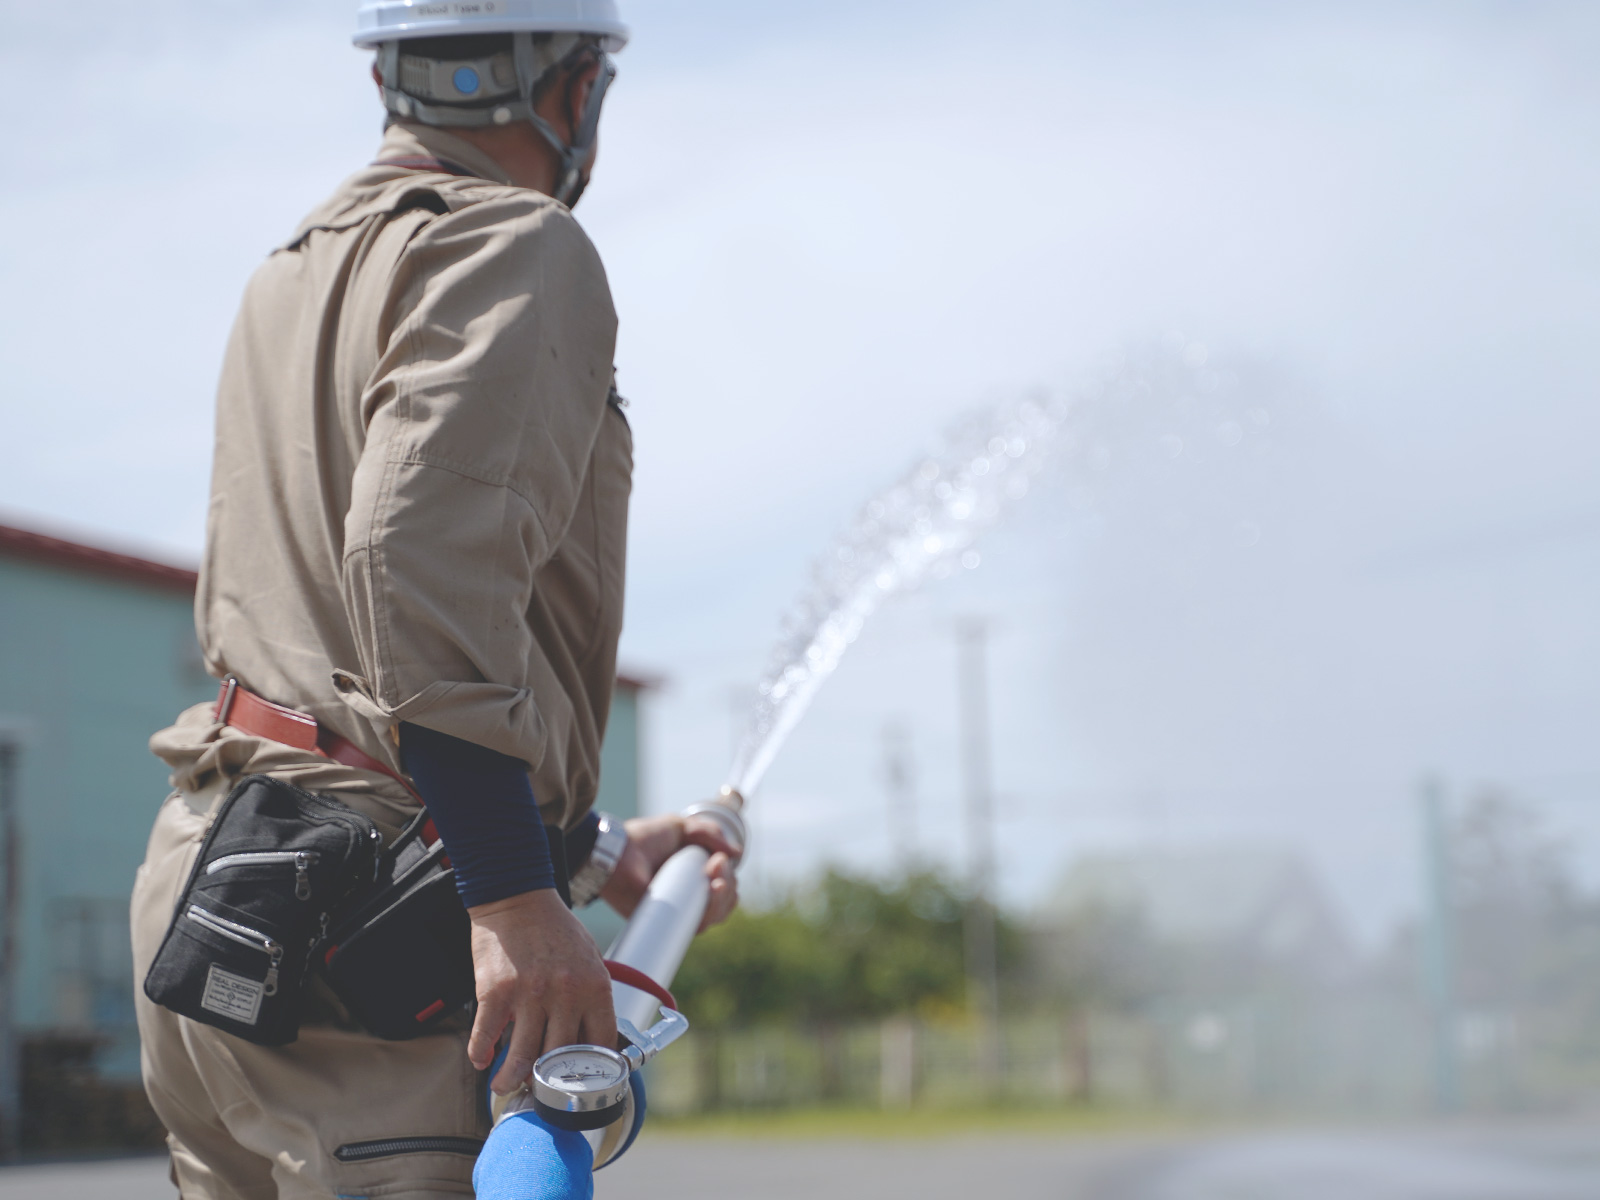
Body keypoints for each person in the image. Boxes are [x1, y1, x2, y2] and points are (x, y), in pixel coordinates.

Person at [130, 3, 738, 1196]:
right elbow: (417, 564)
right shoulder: (518, 244)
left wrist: (596, 846)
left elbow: (316, 640)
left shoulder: (292, 268)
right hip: (373, 917)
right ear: (569, 92)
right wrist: (512, 892)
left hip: (211, 892)